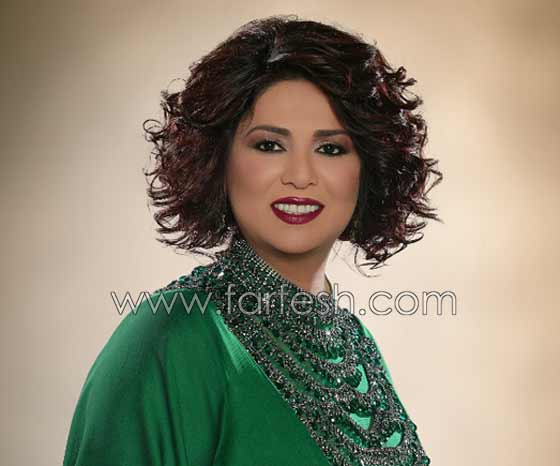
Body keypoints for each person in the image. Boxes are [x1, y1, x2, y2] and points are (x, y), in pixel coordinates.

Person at [62, 14, 442, 466]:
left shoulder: (357, 347)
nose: (300, 176)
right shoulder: (170, 342)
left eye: (330, 148)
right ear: (218, 160)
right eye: (269, 145)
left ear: (368, 169)